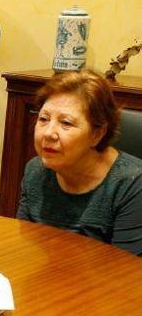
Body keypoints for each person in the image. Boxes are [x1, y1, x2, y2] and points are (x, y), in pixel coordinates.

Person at [17, 70, 142, 256]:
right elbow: (22, 248)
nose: (48, 133)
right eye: (43, 119)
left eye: (66, 123)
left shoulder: (132, 185)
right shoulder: (35, 171)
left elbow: (126, 272)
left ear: (97, 134)